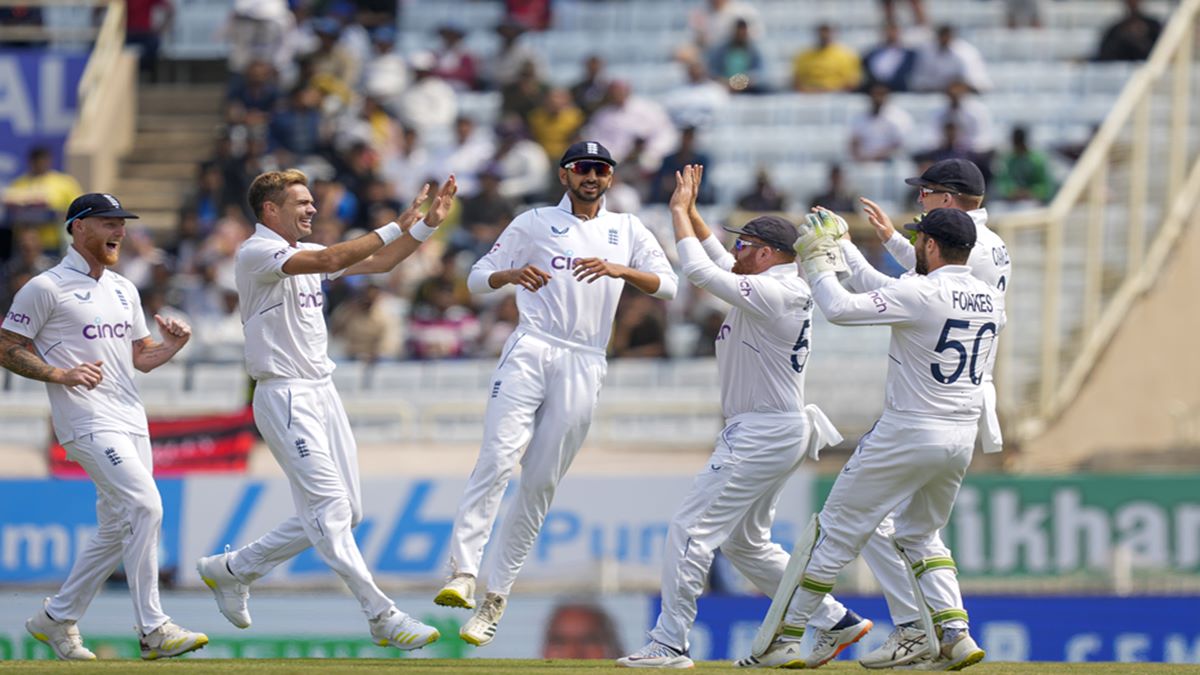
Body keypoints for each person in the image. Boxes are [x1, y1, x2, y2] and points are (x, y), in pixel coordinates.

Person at [617, 166, 871, 669]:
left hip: (762, 429)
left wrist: (674, 216)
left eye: (743, 244)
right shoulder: (769, 282)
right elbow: (714, 258)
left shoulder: (780, 291)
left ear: (767, 252)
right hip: (770, 427)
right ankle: (833, 618)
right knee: (745, 544)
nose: (734, 252)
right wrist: (690, 212)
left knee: (690, 530)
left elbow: (699, 271)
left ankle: (670, 643)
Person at [194, 170, 457, 650]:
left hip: (323, 391)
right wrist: (395, 224)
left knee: (345, 512)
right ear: (271, 210)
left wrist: (427, 226)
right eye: (301, 202)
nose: (313, 209)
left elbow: (379, 263)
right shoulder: (257, 252)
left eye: (312, 201)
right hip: (285, 394)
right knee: (330, 509)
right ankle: (381, 614)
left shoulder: (303, 257)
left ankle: (234, 569)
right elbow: (336, 255)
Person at [435, 141, 678, 646]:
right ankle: (462, 572)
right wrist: (511, 275)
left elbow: (668, 285)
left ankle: (495, 597)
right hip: (531, 346)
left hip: (585, 359)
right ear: (565, 174)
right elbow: (478, 278)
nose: (592, 176)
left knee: (540, 484)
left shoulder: (627, 228)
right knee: (498, 459)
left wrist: (620, 270)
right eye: (582, 168)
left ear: (610, 177)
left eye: (601, 169)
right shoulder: (534, 221)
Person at [774, 206, 1003, 671]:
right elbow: (887, 291)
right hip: (961, 435)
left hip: (908, 430)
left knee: (834, 532)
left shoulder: (920, 292)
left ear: (932, 246)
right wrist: (845, 248)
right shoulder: (988, 296)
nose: (913, 245)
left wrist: (818, 262)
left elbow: (839, 309)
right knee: (922, 534)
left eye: (919, 239)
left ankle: (785, 638)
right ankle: (955, 634)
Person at [1, 193, 207, 660]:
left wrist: (172, 346)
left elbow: (141, 357)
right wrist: (59, 373)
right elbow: (6, 346)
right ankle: (153, 629)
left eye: (122, 222)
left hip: (131, 418)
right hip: (84, 418)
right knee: (145, 507)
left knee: (116, 527)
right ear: (78, 228)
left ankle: (55, 618)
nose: (119, 230)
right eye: (108, 222)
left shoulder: (122, 288)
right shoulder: (45, 287)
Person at [843, 159, 1010, 668]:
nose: (920, 202)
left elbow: (911, 289)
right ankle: (950, 631)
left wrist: (841, 256)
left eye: (927, 194)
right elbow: (928, 274)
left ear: (950, 198)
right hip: (963, 397)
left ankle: (917, 629)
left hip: (931, 404)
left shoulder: (969, 251)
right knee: (915, 529)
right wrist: (895, 240)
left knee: (869, 517)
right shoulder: (992, 243)